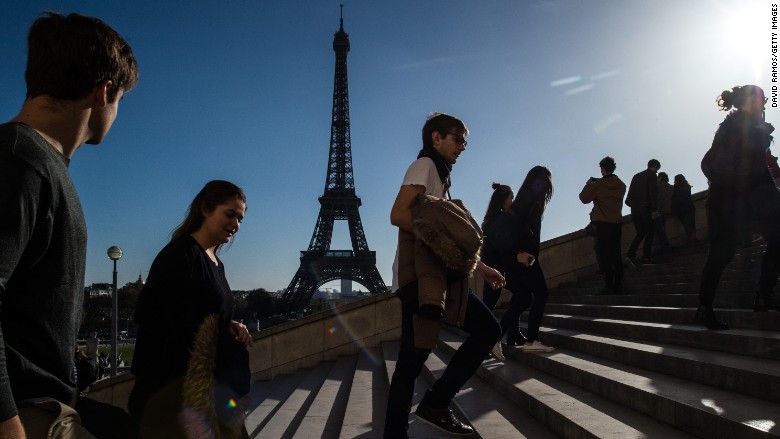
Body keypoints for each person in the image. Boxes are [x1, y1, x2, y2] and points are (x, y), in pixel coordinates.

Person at [0, 12, 138, 439]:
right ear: (104, 91)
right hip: (27, 412)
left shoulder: (33, 161)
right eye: (120, 101)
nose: (116, 114)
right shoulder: (21, 161)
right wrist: (8, 423)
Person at [384, 113, 504, 438]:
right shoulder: (424, 166)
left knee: (414, 358)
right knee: (419, 356)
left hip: (433, 279)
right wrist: (435, 231)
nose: (464, 146)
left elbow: (447, 240)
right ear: (436, 138)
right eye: (459, 138)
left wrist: (482, 267)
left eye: (466, 140)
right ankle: (433, 406)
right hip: (420, 281)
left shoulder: (440, 175)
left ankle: (425, 411)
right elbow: (398, 214)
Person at [129, 181, 252, 439]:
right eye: (230, 214)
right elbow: (153, 317)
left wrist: (226, 323)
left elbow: (198, 309)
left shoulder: (216, 263)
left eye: (240, 219)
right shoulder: (180, 254)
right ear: (205, 209)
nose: (236, 224)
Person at [698, 85, 780, 329]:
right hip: (730, 201)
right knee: (721, 255)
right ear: (748, 101)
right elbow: (717, 163)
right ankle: (704, 308)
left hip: (756, 198)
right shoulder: (734, 126)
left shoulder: (751, 125)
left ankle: (763, 295)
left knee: (777, 240)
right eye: (760, 99)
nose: (764, 103)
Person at [493, 166, 555, 358]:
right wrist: (518, 254)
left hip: (520, 257)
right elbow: (514, 230)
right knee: (541, 293)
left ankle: (495, 338)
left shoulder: (526, 198)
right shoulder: (529, 199)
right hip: (523, 257)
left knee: (523, 298)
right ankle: (531, 340)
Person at [480, 183, 525, 347]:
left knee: (489, 305)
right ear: (503, 199)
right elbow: (506, 243)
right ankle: (490, 340)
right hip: (500, 268)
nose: (512, 201)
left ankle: (513, 333)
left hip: (493, 266)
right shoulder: (502, 218)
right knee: (521, 295)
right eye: (510, 197)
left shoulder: (490, 218)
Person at [579, 156, 627, 294]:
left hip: (602, 224)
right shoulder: (621, 184)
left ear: (603, 169)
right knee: (616, 255)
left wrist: (589, 184)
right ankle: (619, 284)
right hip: (616, 223)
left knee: (605, 256)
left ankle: (609, 285)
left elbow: (583, 198)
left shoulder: (598, 185)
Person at [625, 159, 661, 265]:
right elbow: (652, 193)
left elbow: (629, 194)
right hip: (645, 208)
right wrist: (654, 210)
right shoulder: (652, 175)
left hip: (634, 208)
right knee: (649, 232)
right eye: (657, 169)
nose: (656, 172)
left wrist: (633, 205)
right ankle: (646, 257)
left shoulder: (636, 176)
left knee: (640, 232)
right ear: (655, 166)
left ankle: (630, 254)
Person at [671, 174, 698, 245]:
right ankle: (694, 237)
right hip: (690, 207)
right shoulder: (687, 186)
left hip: (682, 209)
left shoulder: (675, 188)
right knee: (692, 224)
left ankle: (690, 239)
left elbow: (676, 199)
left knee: (687, 225)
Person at [654, 172, 674, 254]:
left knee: (660, 230)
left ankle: (665, 247)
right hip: (667, 211)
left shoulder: (657, 185)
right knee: (662, 229)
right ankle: (665, 246)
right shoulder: (671, 187)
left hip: (659, 211)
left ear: (660, 177)